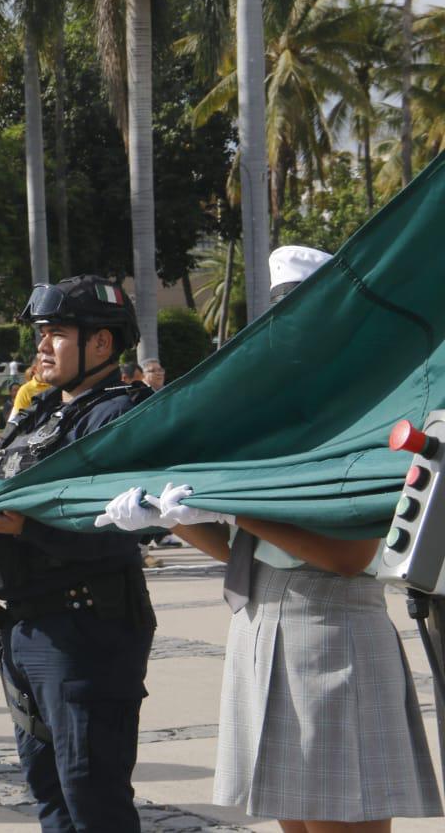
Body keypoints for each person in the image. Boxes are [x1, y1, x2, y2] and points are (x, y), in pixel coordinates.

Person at [99, 245, 443, 831]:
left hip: (333, 636)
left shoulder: (362, 419)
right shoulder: (277, 420)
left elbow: (349, 555)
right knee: (293, 825)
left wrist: (236, 505)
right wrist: (173, 519)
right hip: (259, 626)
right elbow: (246, 549)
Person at [0, 275, 155, 832]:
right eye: (42, 333)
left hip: (87, 627)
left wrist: (26, 529)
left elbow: (114, 523)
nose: (41, 346)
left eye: (56, 333)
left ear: (102, 344)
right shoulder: (38, 412)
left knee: (93, 795)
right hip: (25, 626)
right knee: (50, 793)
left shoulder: (121, 415)